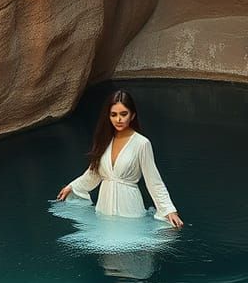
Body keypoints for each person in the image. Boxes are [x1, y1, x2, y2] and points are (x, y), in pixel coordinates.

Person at [56, 90, 184, 228]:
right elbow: (93, 173)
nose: (118, 119)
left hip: (129, 208)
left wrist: (169, 210)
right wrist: (72, 186)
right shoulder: (104, 140)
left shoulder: (142, 143)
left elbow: (153, 181)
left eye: (123, 114)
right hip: (103, 209)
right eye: (113, 114)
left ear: (132, 115)